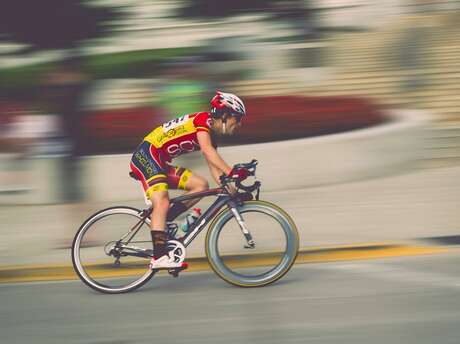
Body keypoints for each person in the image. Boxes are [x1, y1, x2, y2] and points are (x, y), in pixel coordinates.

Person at [129, 91, 250, 270]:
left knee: (201, 185)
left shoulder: (211, 135)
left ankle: (165, 220)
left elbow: (213, 166)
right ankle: (159, 257)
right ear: (225, 115)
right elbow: (208, 152)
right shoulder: (203, 121)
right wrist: (232, 171)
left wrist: (231, 190)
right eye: (237, 119)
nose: (239, 124)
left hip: (159, 162)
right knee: (161, 202)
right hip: (147, 155)